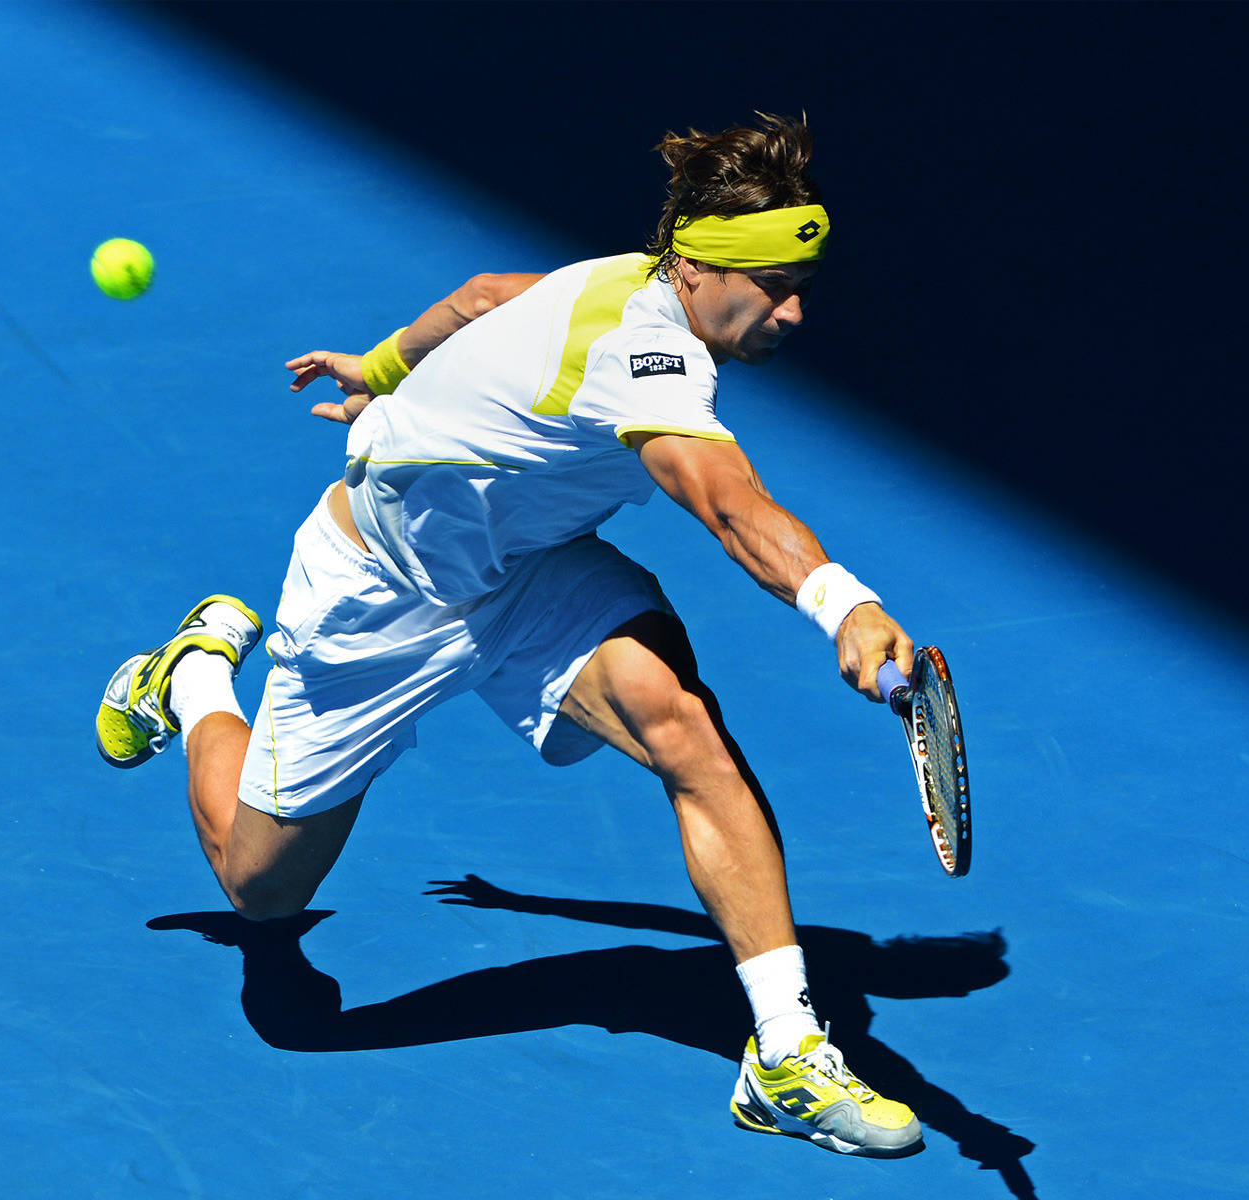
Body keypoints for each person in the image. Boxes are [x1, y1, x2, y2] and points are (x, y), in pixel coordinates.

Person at [97, 114, 924, 1158]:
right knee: (261, 891)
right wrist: (842, 602)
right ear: (703, 267)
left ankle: (787, 1054)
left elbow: (489, 294)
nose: (796, 312)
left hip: (528, 574)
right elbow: (725, 502)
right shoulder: (648, 357)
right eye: (773, 287)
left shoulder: (629, 276)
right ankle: (198, 675)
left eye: (803, 285)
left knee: (685, 730)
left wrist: (384, 366)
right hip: (374, 598)